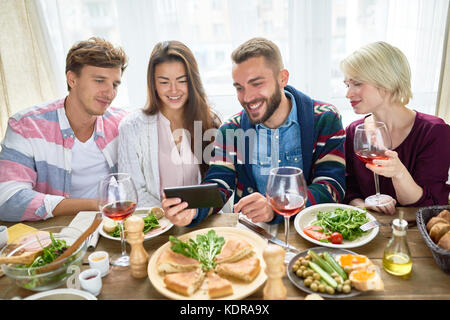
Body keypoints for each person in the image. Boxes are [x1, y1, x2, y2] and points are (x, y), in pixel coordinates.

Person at [162, 37, 346, 227]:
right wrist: (193, 210)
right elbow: (219, 184)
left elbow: (332, 187)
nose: (247, 97)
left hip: (311, 232)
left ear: (282, 78)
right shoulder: (231, 129)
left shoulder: (324, 118)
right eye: (239, 88)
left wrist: (274, 206)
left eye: (257, 84)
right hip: (254, 236)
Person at [0, 37, 128, 221]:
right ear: (72, 79)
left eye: (115, 84)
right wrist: (96, 205)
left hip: (110, 228)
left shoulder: (122, 124)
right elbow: (7, 199)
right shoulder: (26, 126)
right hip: (53, 235)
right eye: (99, 81)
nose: (110, 93)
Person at [341, 41, 450, 215]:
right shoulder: (354, 132)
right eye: (347, 85)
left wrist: (399, 173)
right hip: (368, 231)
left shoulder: (435, 132)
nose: (348, 94)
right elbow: (349, 188)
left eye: (357, 84)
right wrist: (363, 206)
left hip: (413, 233)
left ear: (386, 82)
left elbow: (431, 205)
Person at [118, 40, 221, 207]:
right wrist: (168, 214)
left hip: (203, 223)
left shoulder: (210, 123)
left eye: (182, 80)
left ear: (193, 82)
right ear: (153, 84)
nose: (174, 90)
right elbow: (132, 193)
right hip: (157, 226)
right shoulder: (131, 128)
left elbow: (219, 185)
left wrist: (193, 215)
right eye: (164, 82)